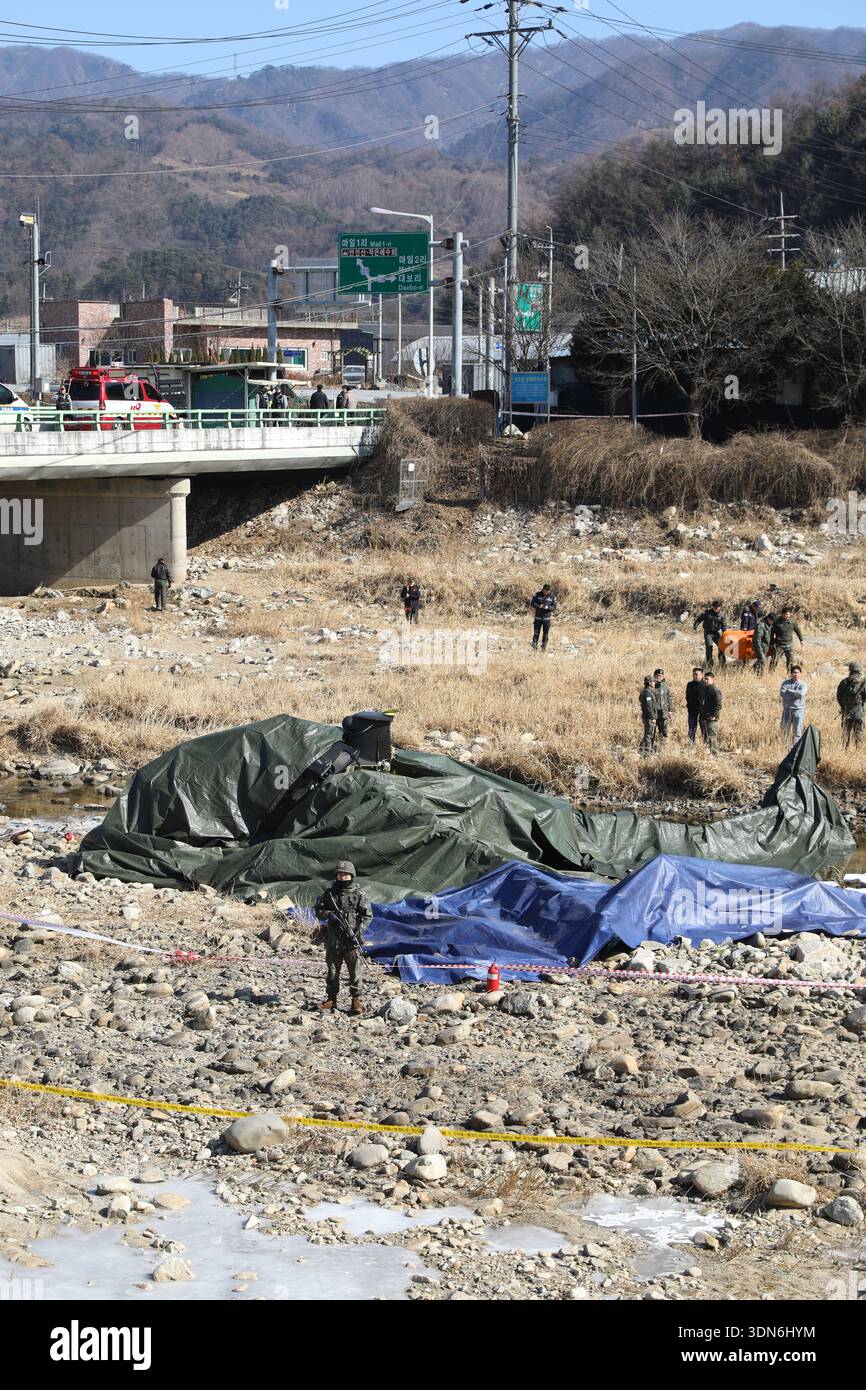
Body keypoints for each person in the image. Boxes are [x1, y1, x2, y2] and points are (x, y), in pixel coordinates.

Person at [314, 860, 371, 1015]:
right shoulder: (330, 894)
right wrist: (329, 914)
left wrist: (359, 931)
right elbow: (318, 910)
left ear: (351, 876)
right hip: (333, 940)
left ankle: (356, 1000)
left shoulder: (359, 895)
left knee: (355, 973)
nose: (343, 877)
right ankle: (331, 999)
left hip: (352, 940)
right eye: (340, 874)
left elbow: (367, 915)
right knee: (332, 972)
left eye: (346, 875)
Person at [837, 661, 866, 749]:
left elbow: (839, 696)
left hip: (846, 712)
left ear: (850, 670)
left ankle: (844, 751)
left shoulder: (844, 682)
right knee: (858, 733)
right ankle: (857, 751)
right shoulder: (863, 683)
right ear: (859, 671)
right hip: (859, 713)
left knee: (845, 733)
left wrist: (843, 706)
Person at [693, 599, 726, 672]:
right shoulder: (707, 613)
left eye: (718, 607)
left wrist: (725, 634)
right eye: (715, 607)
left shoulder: (721, 615)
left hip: (717, 633)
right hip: (708, 633)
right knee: (709, 647)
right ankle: (710, 665)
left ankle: (722, 664)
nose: (717, 609)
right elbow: (699, 619)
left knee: (721, 647)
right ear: (713, 607)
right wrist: (696, 625)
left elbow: (724, 626)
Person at [769, 606, 803, 674]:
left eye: (788, 614)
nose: (787, 616)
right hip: (779, 645)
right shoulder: (777, 622)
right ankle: (771, 673)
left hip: (789, 645)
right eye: (786, 614)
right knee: (774, 659)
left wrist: (801, 640)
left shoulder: (792, 621)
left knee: (790, 661)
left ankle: (790, 674)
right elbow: (772, 633)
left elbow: (797, 630)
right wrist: (771, 643)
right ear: (782, 614)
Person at [779, 665, 808, 743]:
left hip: (798, 710)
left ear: (800, 674)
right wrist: (795, 696)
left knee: (797, 730)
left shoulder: (803, 684)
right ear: (791, 674)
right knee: (784, 729)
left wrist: (790, 691)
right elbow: (783, 694)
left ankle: (795, 747)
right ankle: (784, 745)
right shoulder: (785, 683)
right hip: (787, 709)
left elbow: (802, 694)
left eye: (798, 673)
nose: (796, 674)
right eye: (794, 673)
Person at [699, 671, 722, 752]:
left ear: (712, 679)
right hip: (704, 716)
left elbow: (718, 705)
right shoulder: (706, 689)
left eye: (707, 679)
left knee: (712, 736)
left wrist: (714, 715)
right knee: (706, 736)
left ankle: (715, 754)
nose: (705, 681)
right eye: (704, 679)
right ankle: (709, 752)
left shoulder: (715, 690)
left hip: (712, 717)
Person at [530, 583, 557, 651]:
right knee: (536, 633)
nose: (546, 592)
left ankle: (543, 648)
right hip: (538, 618)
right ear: (543, 589)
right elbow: (532, 603)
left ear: (549, 591)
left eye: (547, 591)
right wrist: (539, 606)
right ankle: (534, 647)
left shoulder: (552, 597)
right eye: (545, 590)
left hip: (547, 619)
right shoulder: (537, 595)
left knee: (545, 634)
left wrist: (548, 607)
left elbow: (554, 607)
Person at [685, 666, 705, 745]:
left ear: (702, 675)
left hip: (703, 711)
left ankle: (706, 745)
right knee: (691, 729)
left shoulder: (705, 685)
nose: (695, 676)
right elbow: (687, 696)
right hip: (692, 710)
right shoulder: (690, 684)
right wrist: (689, 705)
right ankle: (691, 745)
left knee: (704, 729)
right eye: (694, 674)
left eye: (697, 674)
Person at [653, 668, 673, 745]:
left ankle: (663, 745)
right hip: (654, 712)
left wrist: (670, 711)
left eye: (660, 676)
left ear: (663, 677)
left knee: (664, 730)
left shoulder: (666, 686)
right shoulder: (651, 686)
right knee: (652, 730)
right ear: (654, 676)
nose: (659, 677)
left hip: (663, 712)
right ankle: (651, 745)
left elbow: (669, 699)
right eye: (657, 676)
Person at [639, 675, 658, 754]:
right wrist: (653, 717)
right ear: (649, 683)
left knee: (649, 733)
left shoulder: (648, 691)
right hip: (649, 717)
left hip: (648, 717)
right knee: (649, 735)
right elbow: (649, 706)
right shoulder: (647, 692)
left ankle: (641, 749)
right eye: (653, 682)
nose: (654, 683)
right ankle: (648, 751)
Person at [753, 609, 773, 676]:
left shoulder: (768, 625)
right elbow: (757, 639)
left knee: (760, 660)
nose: (772, 623)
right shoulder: (761, 625)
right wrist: (759, 649)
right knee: (762, 661)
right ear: (768, 619)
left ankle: (753, 669)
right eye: (772, 621)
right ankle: (760, 676)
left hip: (764, 647)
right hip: (759, 647)